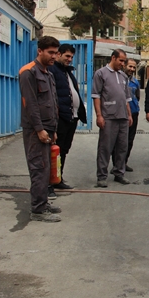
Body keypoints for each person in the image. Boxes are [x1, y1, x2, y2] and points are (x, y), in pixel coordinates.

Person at [19, 36, 62, 222]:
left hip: (47, 128)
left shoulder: (48, 74)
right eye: (50, 53)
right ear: (39, 51)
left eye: (56, 53)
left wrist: (53, 129)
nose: (54, 56)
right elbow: (31, 104)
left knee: (47, 169)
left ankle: (43, 202)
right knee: (38, 167)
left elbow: (52, 103)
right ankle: (37, 210)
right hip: (35, 130)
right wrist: (39, 129)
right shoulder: (28, 72)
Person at [48, 44, 87, 196]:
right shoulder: (52, 71)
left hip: (72, 117)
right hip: (60, 118)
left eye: (71, 57)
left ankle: (58, 179)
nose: (70, 59)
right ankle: (48, 185)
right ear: (58, 55)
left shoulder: (68, 72)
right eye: (67, 56)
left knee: (63, 150)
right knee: (53, 152)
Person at [92, 49, 133, 188]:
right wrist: (99, 115)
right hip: (108, 116)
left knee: (122, 146)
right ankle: (101, 176)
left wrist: (129, 114)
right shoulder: (101, 74)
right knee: (105, 147)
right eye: (121, 60)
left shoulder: (123, 76)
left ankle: (119, 173)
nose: (123, 63)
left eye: (124, 61)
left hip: (122, 117)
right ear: (113, 58)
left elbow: (126, 98)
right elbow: (96, 96)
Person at [112, 58, 140, 172]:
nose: (132, 69)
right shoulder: (117, 79)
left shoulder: (135, 82)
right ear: (124, 66)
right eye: (130, 66)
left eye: (134, 67)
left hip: (133, 113)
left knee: (129, 140)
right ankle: (116, 165)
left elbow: (137, 97)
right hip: (119, 114)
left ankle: (124, 162)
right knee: (117, 140)